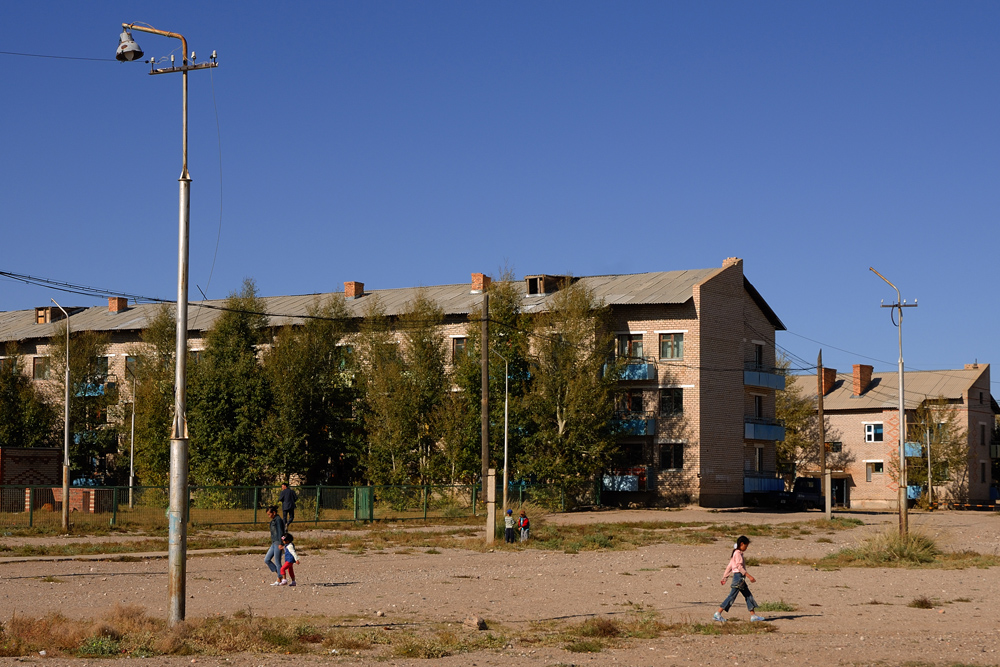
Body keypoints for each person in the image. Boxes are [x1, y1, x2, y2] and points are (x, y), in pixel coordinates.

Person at [714, 535, 764, 622]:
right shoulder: (738, 554)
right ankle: (718, 613)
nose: (746, 548)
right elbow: (739, 567)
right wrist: (749, 576)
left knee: (748, 595)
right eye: (746, 546)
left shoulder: (735, 553)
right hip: (739, 578)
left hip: (739, 578)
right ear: (741, 544)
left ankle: (753, 615)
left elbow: (729, 566)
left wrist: (724, 577)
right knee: (731, 596)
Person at [264, 505, 286, 586]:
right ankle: (280, 573)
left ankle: (279, 579)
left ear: (274, 513)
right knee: (267, 559)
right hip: (274, 543)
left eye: (269, 514)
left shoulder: (278, 520)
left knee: (277, 561)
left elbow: (281, 532)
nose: (269, 516)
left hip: (278, 543)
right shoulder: (274, 520)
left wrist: (281, 543)